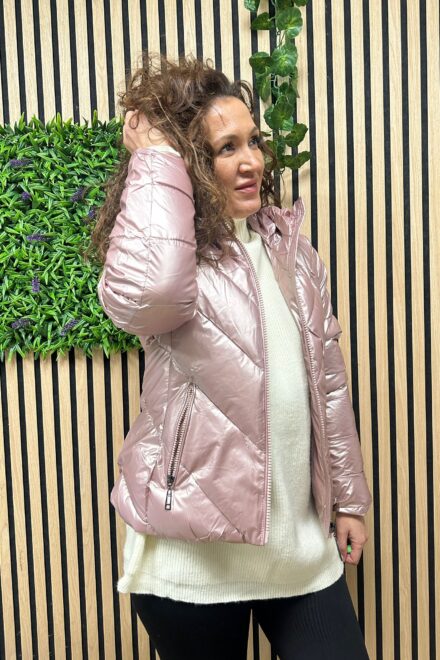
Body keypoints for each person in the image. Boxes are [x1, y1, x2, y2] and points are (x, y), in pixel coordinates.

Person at [93, 53, 372, 660]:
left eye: (253, 142)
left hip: (297, 550)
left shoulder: (294, 254)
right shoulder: (174, 261)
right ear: (191, 161)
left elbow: (329, 385)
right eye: (225, 148)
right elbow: (150, 295)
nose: (251, 162)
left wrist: (349, 499)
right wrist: (156, 157)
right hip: (193, 561)